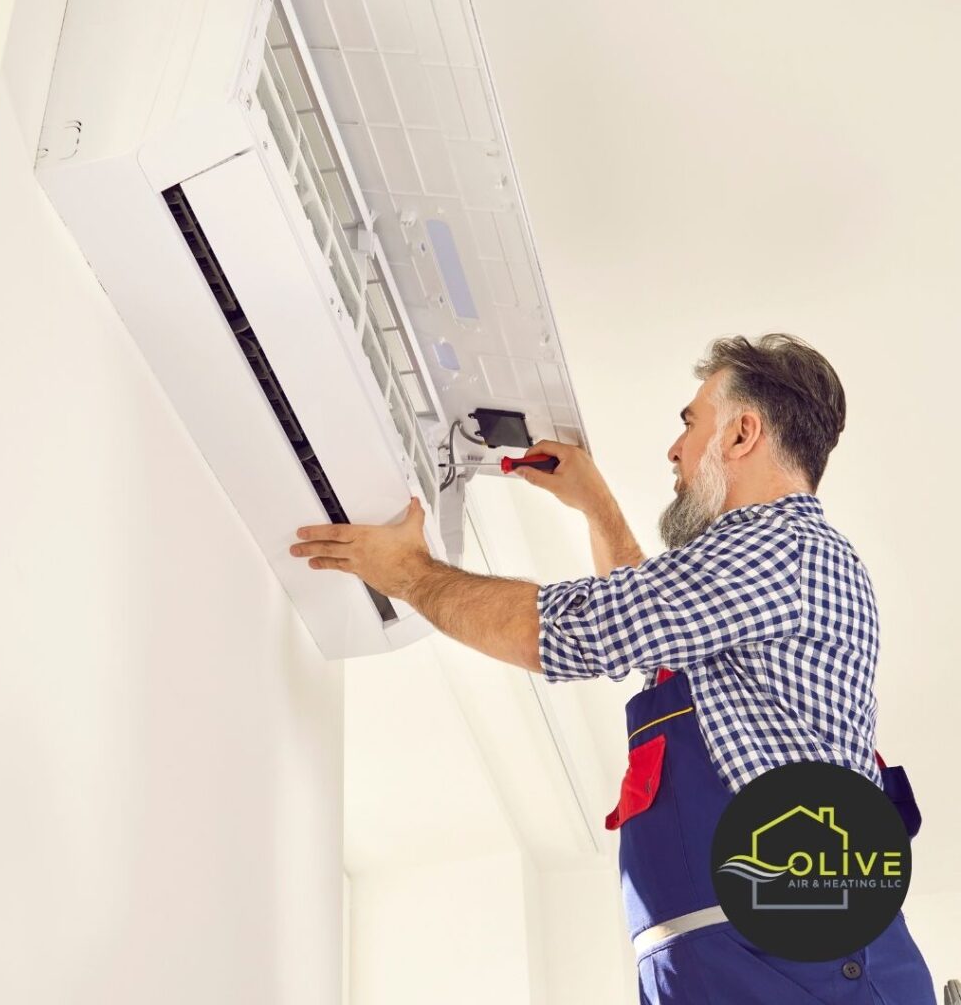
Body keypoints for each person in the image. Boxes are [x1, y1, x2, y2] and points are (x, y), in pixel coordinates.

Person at [288, 333, 936, 1003]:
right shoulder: (753, 580)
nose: (675, 450)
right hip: (750, 965)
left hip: (801, 968)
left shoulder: (782, 546)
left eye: (690, 423)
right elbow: (651, 632)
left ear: (744, 433)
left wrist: (411, 574)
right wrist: (596, 507)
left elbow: (584, 630)